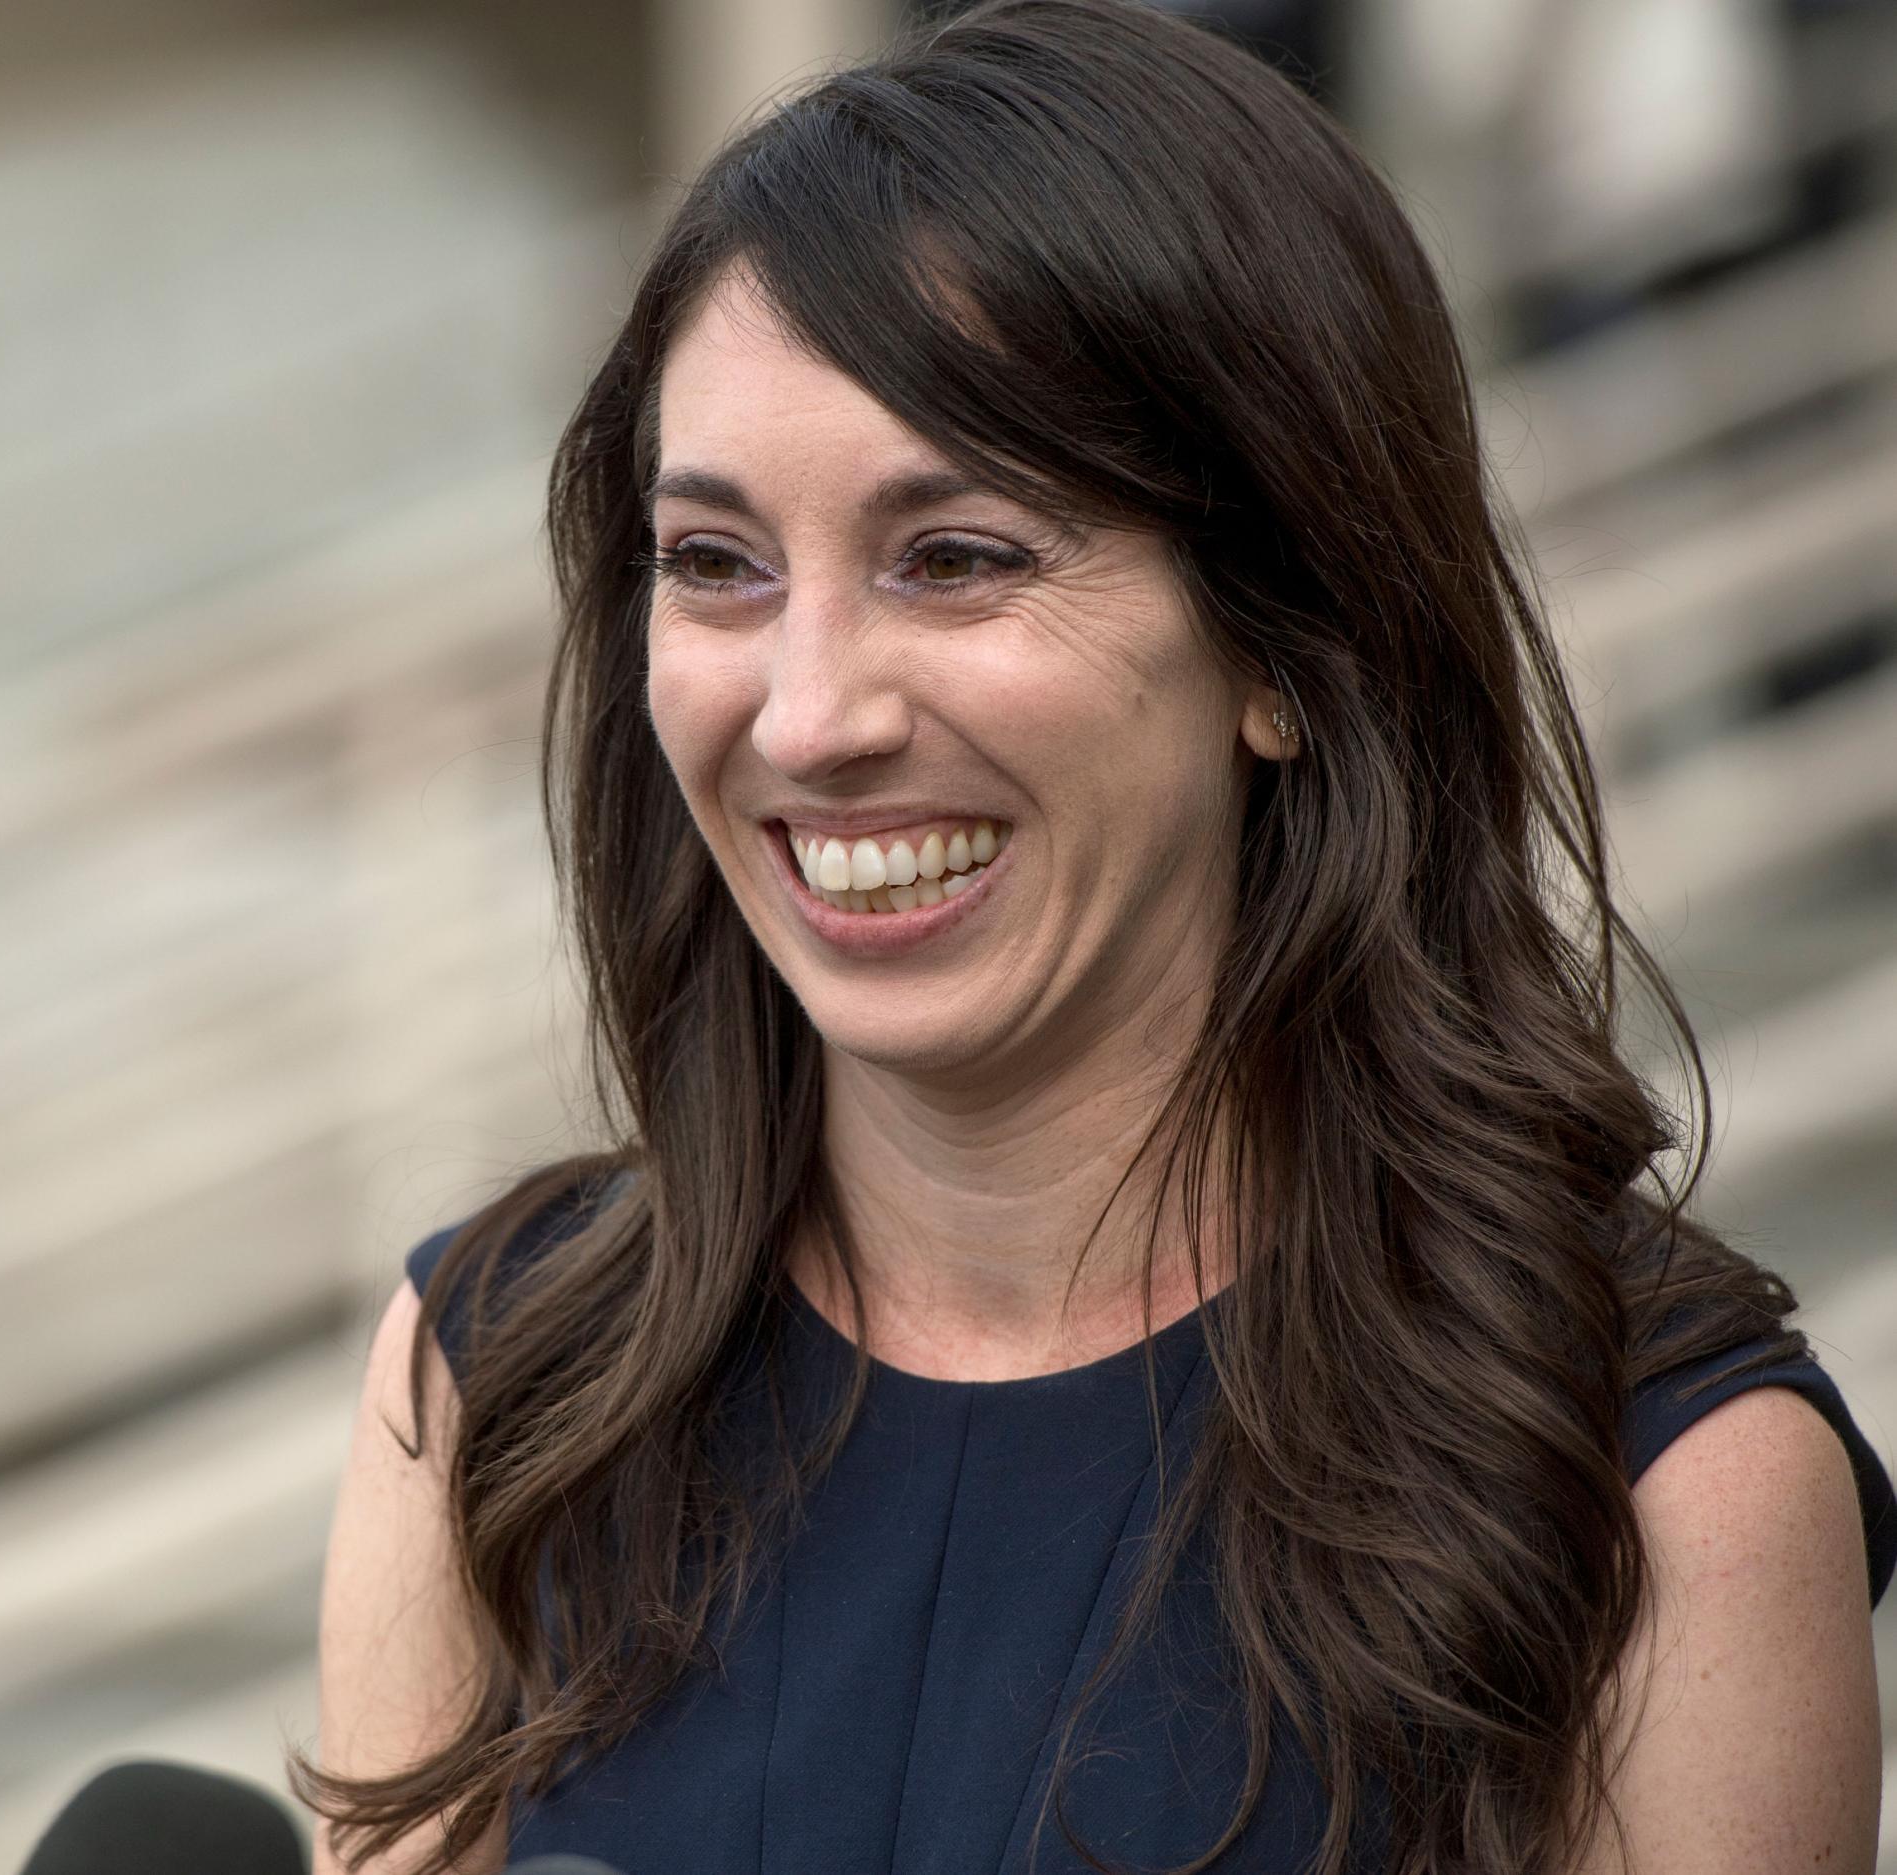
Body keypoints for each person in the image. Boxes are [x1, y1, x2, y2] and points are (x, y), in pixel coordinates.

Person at [296, 2, 1897, 1870]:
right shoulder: (496, 1386)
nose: (809, 717)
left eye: (957, 557)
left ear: (1290, 650)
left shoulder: (1657, 1477)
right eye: (717, 564)